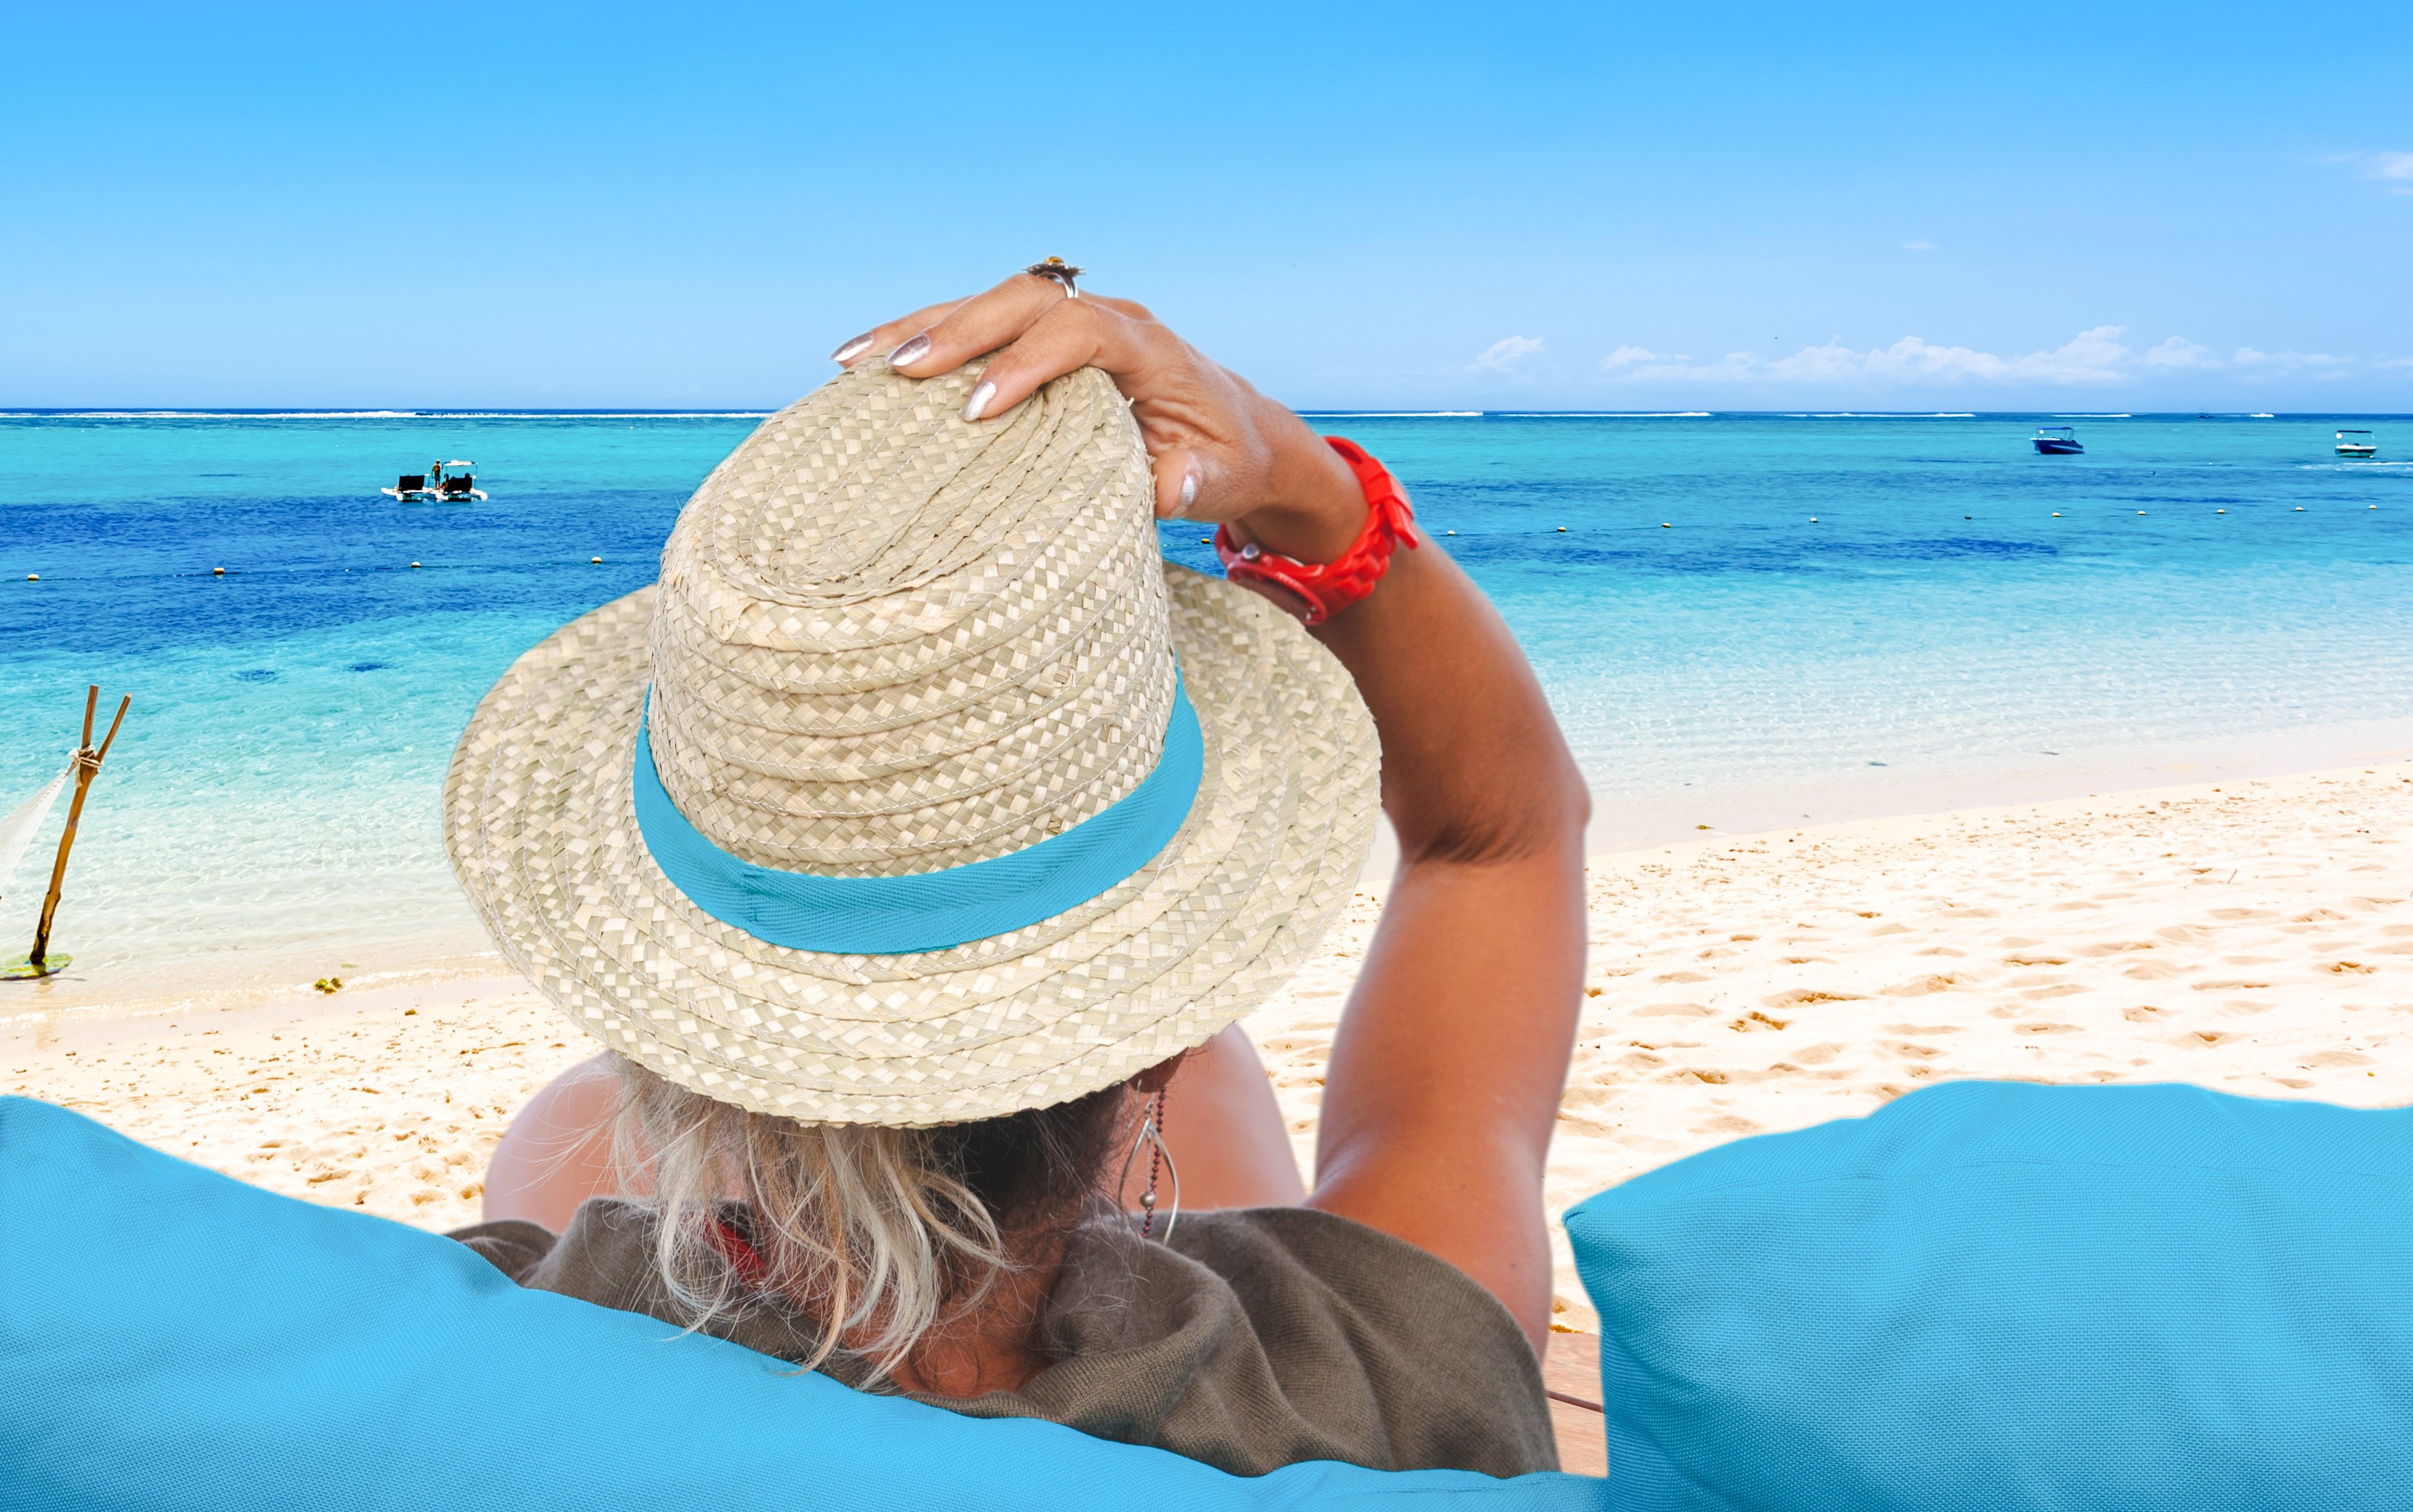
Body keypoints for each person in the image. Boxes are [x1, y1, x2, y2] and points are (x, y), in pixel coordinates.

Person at [443, 271, 1588, 1478]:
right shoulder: (1386, 1385)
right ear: (1153, 1035)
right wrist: (1301, 484)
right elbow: (1499, 837)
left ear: (675, 1021)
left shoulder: (476, 1372)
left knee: (569, 1123)